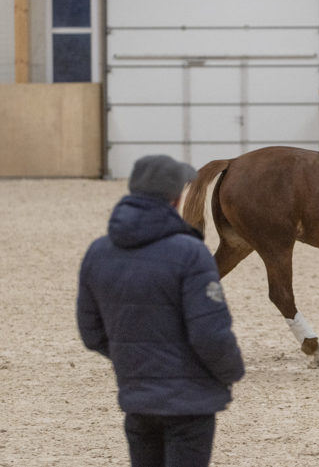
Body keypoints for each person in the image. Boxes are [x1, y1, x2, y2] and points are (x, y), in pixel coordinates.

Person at [77, 154, 245, 467]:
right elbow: (210, 334)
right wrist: (232, 371)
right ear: (176, 197)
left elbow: (91, 333)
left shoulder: (98, 252)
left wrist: (135, 360)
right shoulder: (191, 253)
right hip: (190, 403)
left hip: (137, 399)